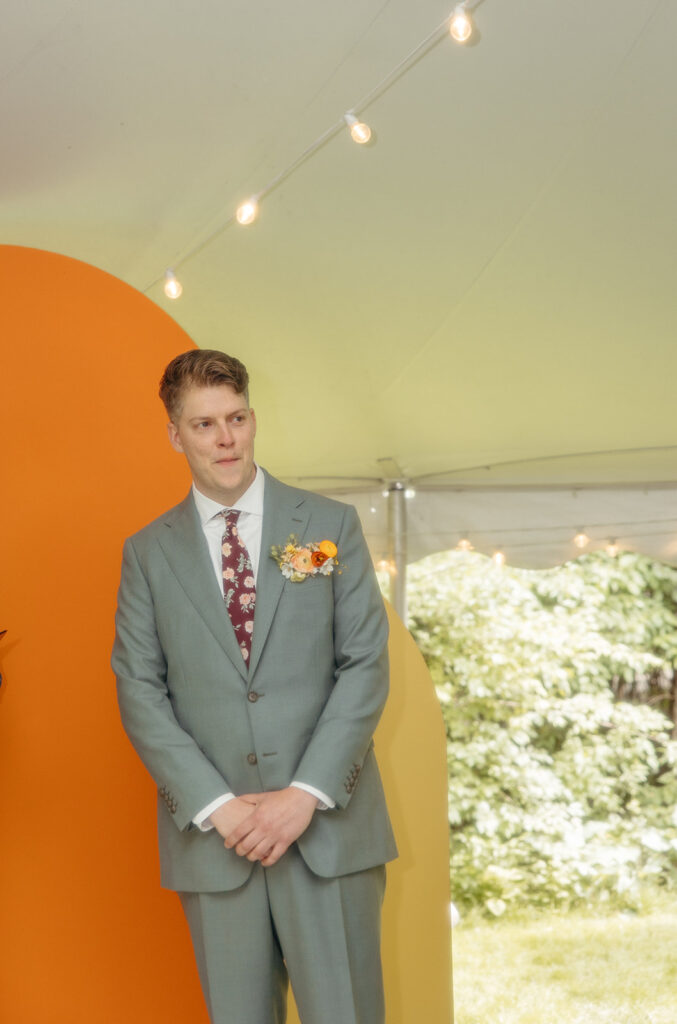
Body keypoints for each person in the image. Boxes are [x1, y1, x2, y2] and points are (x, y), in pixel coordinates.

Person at [112, 348, 397, 1024]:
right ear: (175, 435)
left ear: (253, 418)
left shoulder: (327, 528)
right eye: (204, 424)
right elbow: (138, 689)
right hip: (215, 843)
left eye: (235, 418)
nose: (226, 439)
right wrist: (220, 807)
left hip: (326, 831)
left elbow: (363, 662)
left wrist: (304, 796)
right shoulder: (147, 553)